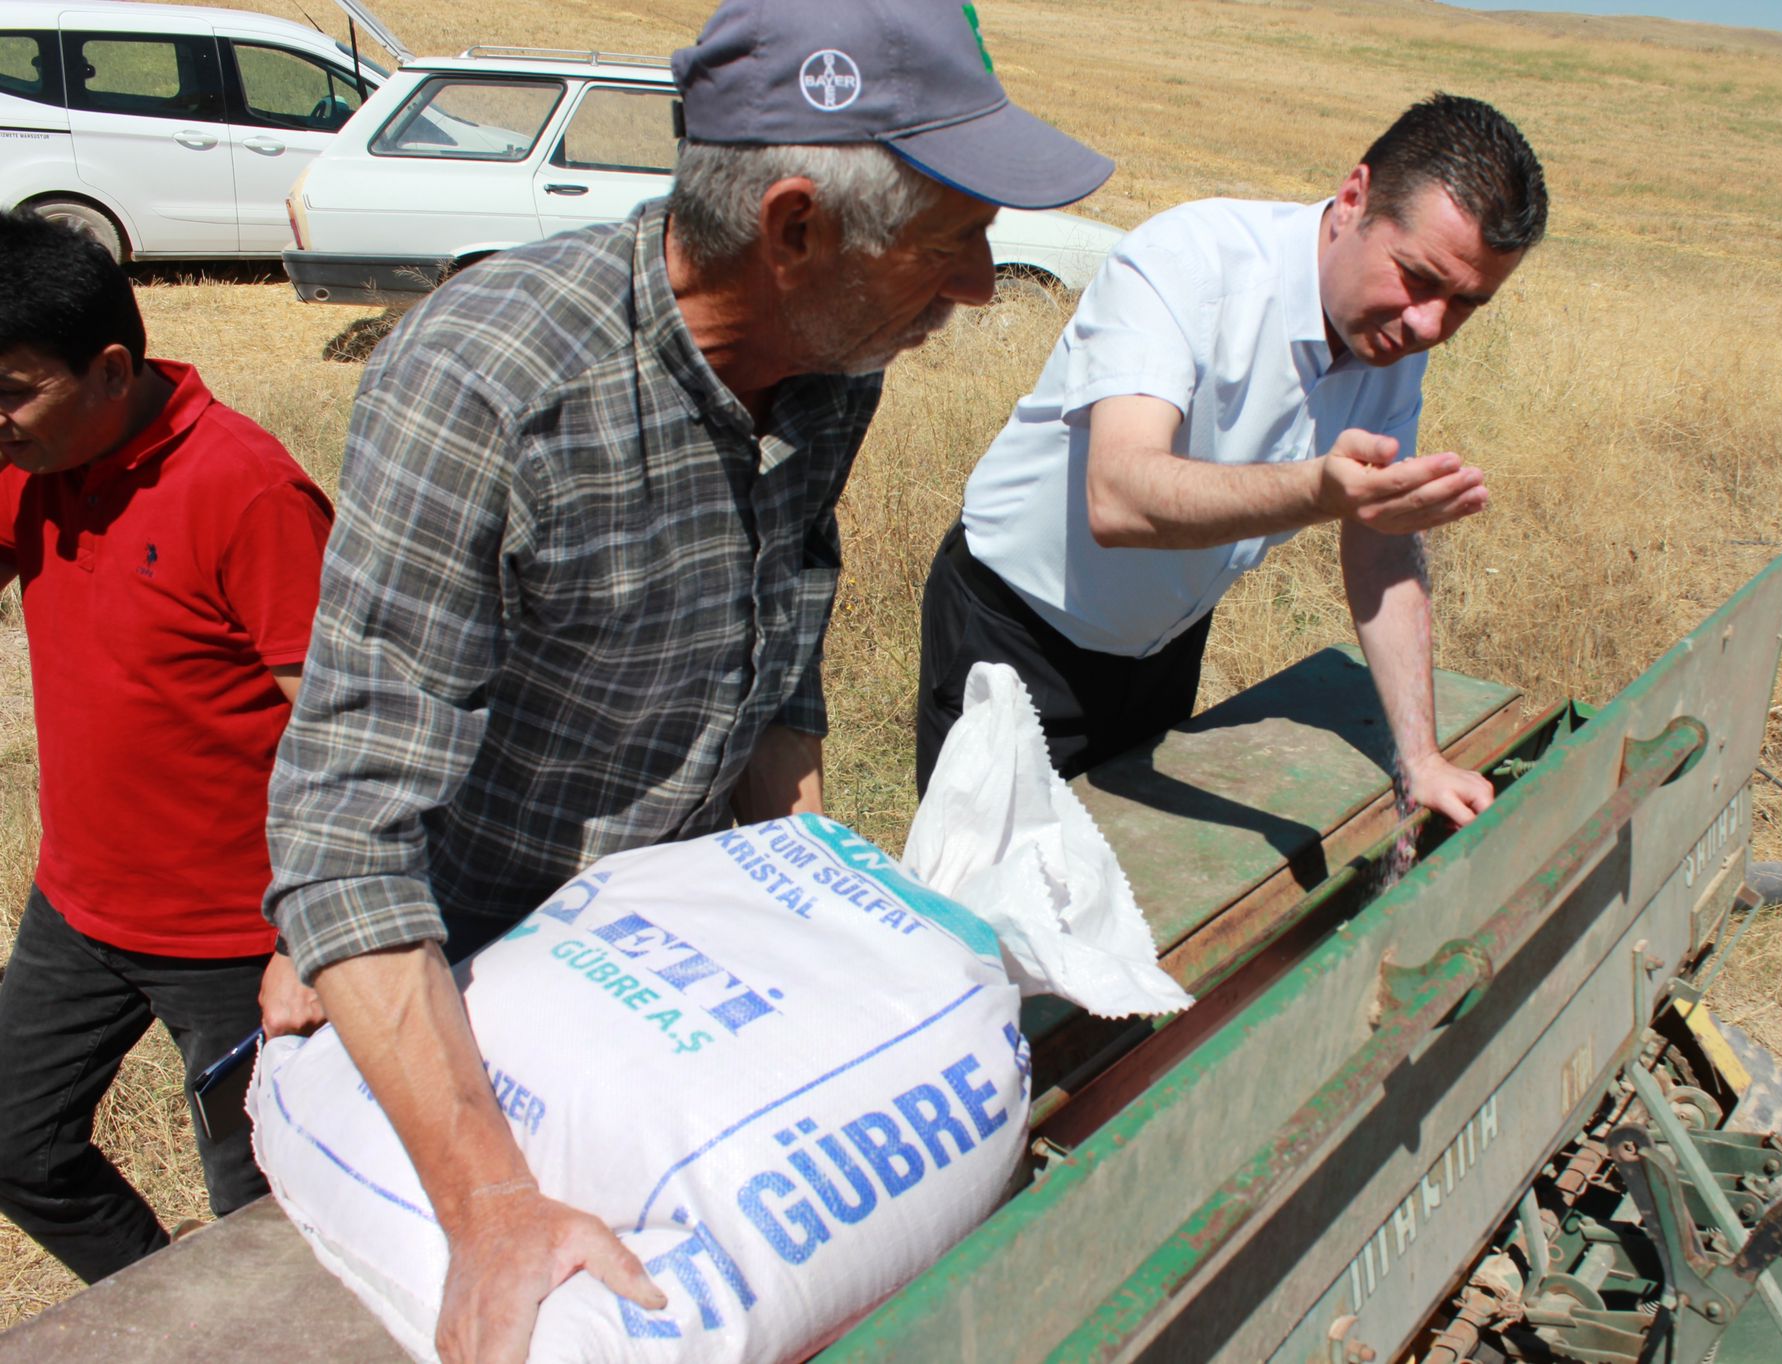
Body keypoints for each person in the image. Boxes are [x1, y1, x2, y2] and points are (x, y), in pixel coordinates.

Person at [261, 1, 1112, 1357]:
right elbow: (346, 831)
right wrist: (490, 1203)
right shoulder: (489, 386)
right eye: (949, 240)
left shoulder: (827, 361)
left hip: (682, 943)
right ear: (794, 229)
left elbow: (782, 636)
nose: (973, 284)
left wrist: (822, 908)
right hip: (484, 973)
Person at [916, 93, 1548, 826]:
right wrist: (1316, 491)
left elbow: (1381, 546)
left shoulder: (1392, 337)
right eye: (1419, 277)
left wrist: (1422, 758)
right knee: (983, 881)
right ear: (1354, 199)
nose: (1431, 324)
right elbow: (1117, 497)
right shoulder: (1188, 263)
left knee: (1124, 870)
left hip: (1163, 650)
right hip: (1013, 636)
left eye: (1466, 303)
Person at [0, 208, 333, 1283]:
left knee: (267, 1224)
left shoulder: (248, 490)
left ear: (110, 369)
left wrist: (311, 933)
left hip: (238, 937)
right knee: (14, 1140)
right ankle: (163, 1314)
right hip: (79, 907)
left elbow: (347, 726)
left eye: (12, 390)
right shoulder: (34, 456)